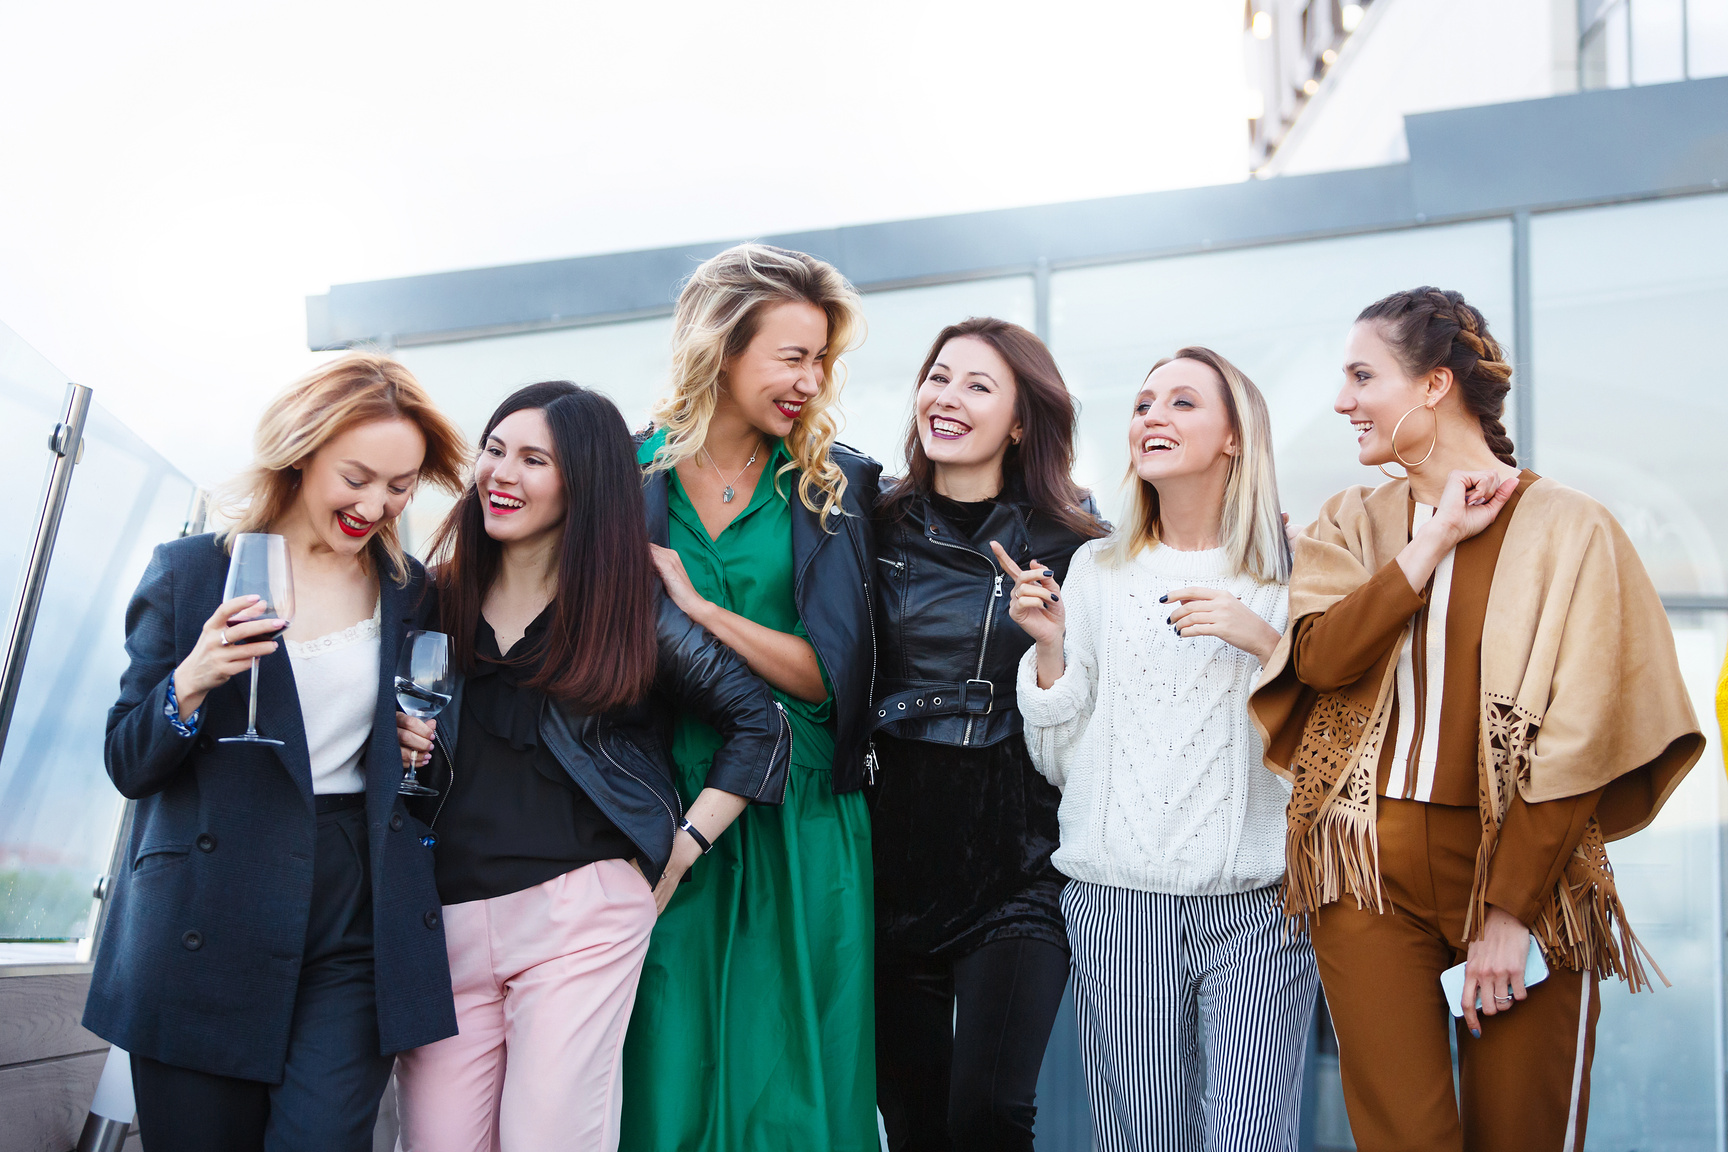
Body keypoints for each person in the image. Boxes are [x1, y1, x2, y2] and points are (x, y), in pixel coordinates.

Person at [1250, 287, 1705, 1152]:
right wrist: (1431, 543)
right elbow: (1321, 659)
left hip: (1527, 872)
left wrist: (1509, 911)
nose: (1343, 400)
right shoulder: (1351, 521)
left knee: (1520, 1137)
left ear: (1433, 386)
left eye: (1361, 375)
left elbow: (1584, 734)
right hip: (1365, 867)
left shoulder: (1575, 530)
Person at [390, 381, 789, 1152]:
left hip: (579, 915)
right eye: (495, 450)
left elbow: (761, 725)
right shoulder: (432, 601)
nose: (502, 473)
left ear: (585, 484)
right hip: (439, 923)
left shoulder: (628, 610)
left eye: (534, 459)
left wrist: (685, 844)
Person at [85, 354, 469, 1151]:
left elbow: (421, 772)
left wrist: (414, 752)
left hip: (352, 903)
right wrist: (190, 682)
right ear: (302, 452)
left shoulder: (412, 592)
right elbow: (128, 760)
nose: (377, 505)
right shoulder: (193, 574)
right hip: (210, 902)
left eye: (400, 486)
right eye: (357, 477)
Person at [1007, 346, 1316, 1151]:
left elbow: (1331, 743)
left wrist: (1263, 642)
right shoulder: (1096, 570)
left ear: (1236, 438)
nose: (1152, 418)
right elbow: (1058, 759)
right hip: (1118, 905)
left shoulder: (1296, 576)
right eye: (1144, 404)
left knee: (1252, 1139)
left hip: (1259, 905)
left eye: (1182, 403)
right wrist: (1049, 652)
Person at [620, 242, 881, 1152]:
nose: (811, 380)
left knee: (796, 1096)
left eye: (822, 360)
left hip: (801, 813)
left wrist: (696, 607)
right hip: (663, 810)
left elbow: (830, 675)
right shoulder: (623, 476)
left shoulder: (832, 489)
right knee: (665, 1075)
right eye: (792, 356)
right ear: (722, 348)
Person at [868, 317, 1105, 1151]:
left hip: (1020, 857)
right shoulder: (867, 524)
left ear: (1020, 420)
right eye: (939, 376)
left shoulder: (1081, 547)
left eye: (977, 385)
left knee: (992, 1113)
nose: (948, 398)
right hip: (889, 856)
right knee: (916, 1121)